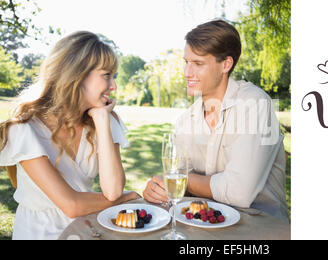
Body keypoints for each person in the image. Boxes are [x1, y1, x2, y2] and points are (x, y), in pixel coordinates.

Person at [143, 20, 289, 221]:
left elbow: (239, 192)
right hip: (205, 224)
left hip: (259, 227)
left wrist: (179, 180)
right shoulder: (185, 121)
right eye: (186, 62)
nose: (187, 72)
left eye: (198, 64)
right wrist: (159, 190)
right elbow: (179, 190)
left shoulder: (255, 104)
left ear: (226, 65)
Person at [0, 31, 140, 240]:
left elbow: (112, 191)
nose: (113, 86)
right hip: (40, 233)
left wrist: (102, 120)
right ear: (77, 75)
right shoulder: (25, 129)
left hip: (87, 229)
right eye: (106, 75)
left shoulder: (105, 119)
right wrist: (129, 198)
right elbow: (72, 205)